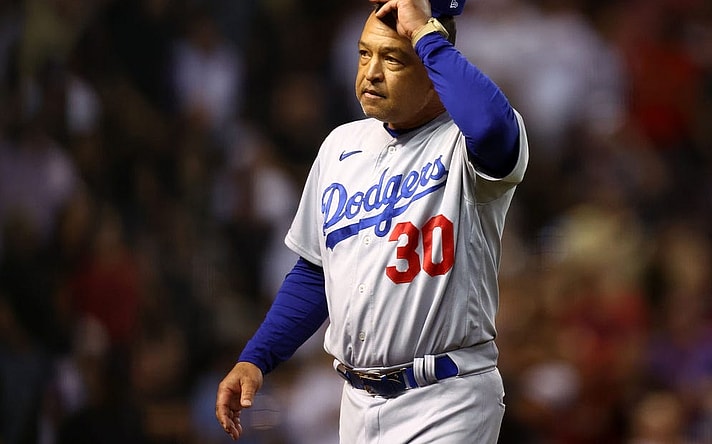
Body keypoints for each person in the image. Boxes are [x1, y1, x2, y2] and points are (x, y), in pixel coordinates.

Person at [215, 0, 529, 442]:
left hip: (448, 398)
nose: (371, 73)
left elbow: (495, 129)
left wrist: (427, 37)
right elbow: (316, 272)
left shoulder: (465, 142)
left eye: (393, 58)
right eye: (365, 55)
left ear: (433, 69)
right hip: (357, 403)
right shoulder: (341, 145)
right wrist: (257, 357)